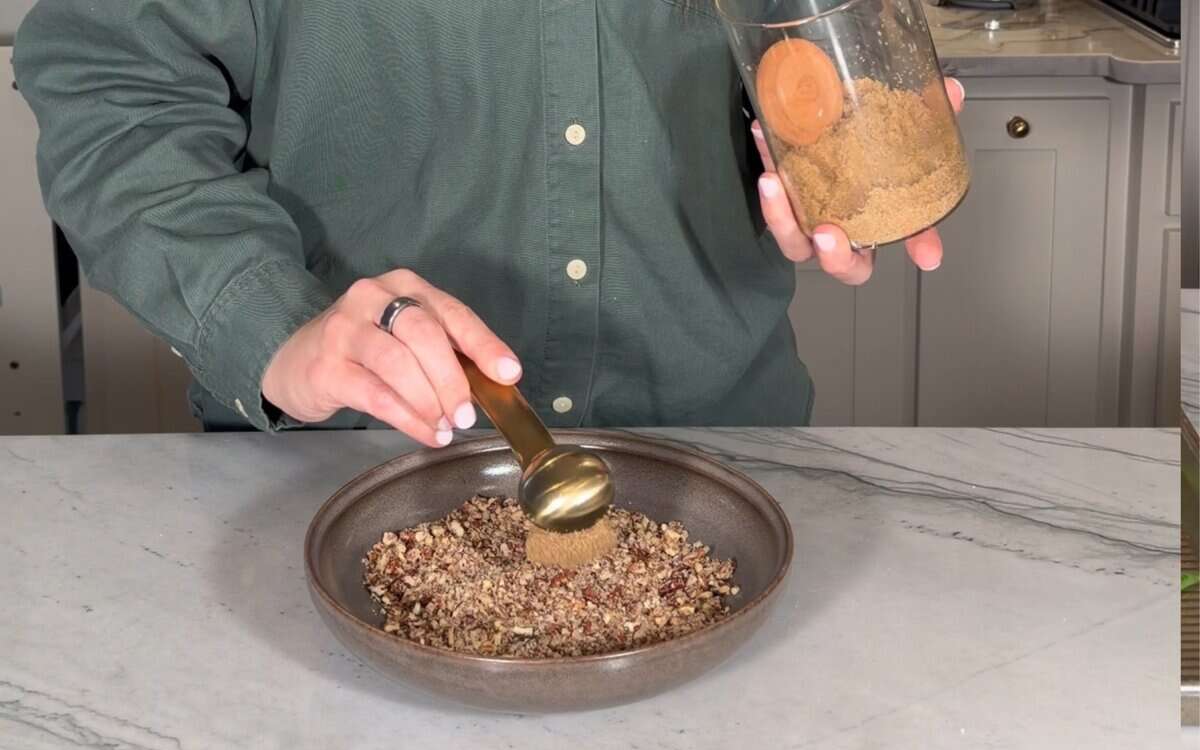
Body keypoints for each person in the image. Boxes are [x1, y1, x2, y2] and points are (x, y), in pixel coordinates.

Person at [14, 1, 963, 444]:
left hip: (722, 451)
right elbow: (111, 81)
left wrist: (843, 145)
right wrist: (270, 321)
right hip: (344, 473)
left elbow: (809, 44)